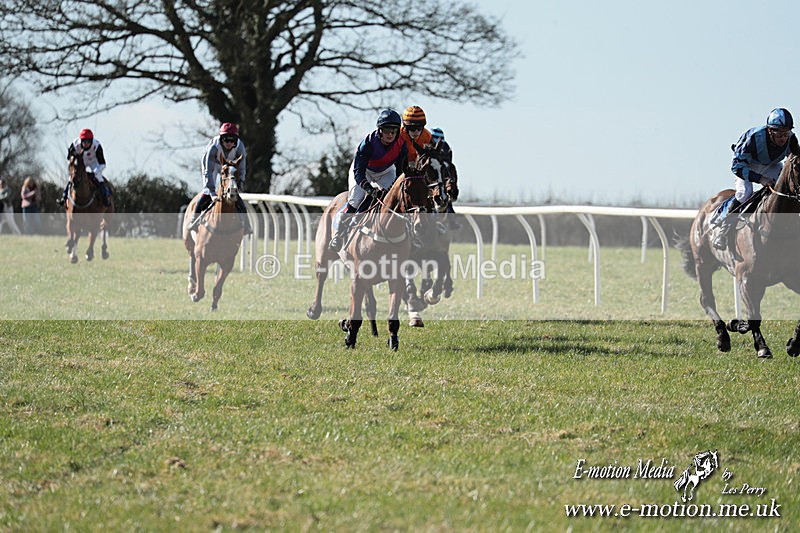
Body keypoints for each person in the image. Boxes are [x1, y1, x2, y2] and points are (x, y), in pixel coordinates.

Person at [713, 108, 799, 249]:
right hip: (747, 165)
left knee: (786, 190)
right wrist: (760, 179)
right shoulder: (753, 137)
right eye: (779, 134)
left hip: (771, 165)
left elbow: (795, 161)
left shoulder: (791, 139)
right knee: (744, 193)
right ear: (770, 131)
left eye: (786, 132)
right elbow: (736, 166)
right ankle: (723, 228)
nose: (784, 138)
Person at [328, 108, 408, 251]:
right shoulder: (368, 144)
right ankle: (339, 233)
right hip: (364, 171)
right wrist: (368, 188)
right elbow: (358, 172)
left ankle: (409, 237)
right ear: (380, 130)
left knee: (395, 198)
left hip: (386, 171)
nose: (390, 134)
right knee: (356, 198)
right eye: (387, 130)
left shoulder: (401, 145)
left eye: (394, 131)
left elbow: (401, 170)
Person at [189, 122, 252, 235]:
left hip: (230, 166)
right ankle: (194, 220)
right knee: (207, 192)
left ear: (236, 140)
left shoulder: (240, 147)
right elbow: (208, 171)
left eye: (232, 140)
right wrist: (212, 192)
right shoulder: (214, 148)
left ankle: (246, 224)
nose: (229, 143)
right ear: (221, 139)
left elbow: (242, 168)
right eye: (226, 140)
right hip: (212, 165)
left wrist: (240, 183)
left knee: (235, 193)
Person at [58, 128, 113, 207]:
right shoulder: (75, 144)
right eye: (84, 141)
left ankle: (105, 198)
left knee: (98, 177)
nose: (86, 144)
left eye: (88, 141)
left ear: (91, 140)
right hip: (80, 161)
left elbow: (103, 164)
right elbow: (68, 159)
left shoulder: (97, 146)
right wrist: (72, 166)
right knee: (71, 178)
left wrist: (95, 172)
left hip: (94, 162)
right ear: (81, 140)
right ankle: (64, 197)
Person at [399, 106, 433, 170]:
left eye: (419, 128)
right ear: (405, 127)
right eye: (412, 128)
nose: (416, 132)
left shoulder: (427, 136)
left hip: (419, 167)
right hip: (399, 165)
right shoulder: (398, 135)